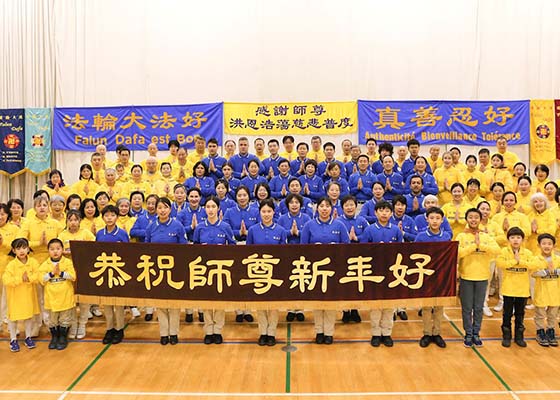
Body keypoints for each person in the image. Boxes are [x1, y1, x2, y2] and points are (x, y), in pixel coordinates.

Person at [301, 197, 350, 344]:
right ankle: (319, 331)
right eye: (321, 206)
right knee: (317, 302)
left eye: (327, 206)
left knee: (330, 302)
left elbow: (346, 246)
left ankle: (329, 332)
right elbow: (302, 248)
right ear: (317, 208)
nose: (324, 209)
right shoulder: (309, 225)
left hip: (333, 270)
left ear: (332, 209)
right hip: (315, 270)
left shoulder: (339, 225)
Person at [193, 196, 236, 344]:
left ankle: (217, 330)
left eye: (213, 207)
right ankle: (208, 330)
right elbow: (194, 248)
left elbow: (233, 246)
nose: (210, 210)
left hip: (221, 269)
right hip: (204, 270)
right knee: (206, 301)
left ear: (218, 208)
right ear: (204, 209)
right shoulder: (200, 227)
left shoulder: (225, 226)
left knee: (219, 301)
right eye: (208, 207)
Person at [145, 197, 187, 345]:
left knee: (174, 303)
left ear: (170, 209)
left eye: (165, 207)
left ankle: (173, 333)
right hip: (157, 271)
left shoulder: (177, 225)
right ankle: (163, 333)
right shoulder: (151, 226)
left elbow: (184, 247)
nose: (162, 210)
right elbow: (146, 248)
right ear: (156, 210)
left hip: (174, 271)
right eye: (160, 208)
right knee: (161, 303)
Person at [361, 201, 403, 347]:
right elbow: (364, 250)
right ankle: (375, 333)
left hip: (392, 272)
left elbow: (401, 250)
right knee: (376, 305)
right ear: (375, 213)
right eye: (381, 210)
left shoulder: (396, 230)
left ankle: (387, 333)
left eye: (387, 211)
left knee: (389, 305)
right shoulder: (369, 229)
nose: (384, 213)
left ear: (391, 213)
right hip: (375, 272)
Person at [246, 199, 288, 346]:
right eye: (263, 211)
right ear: (259, 213)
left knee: (273, 305)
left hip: (275, 273)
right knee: (261, 305)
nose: (266, 214)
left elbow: (284, 253)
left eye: (269, 211)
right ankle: (263, 332)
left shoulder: (281, 231)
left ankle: (271, 333)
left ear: (273, 212)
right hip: (258, 273)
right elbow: (248, 251)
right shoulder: (252, 230)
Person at [456, 208, 500, 347]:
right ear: (466, 219)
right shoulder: (461, 236)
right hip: (466, 276)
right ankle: (468, 334)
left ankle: (476, 333)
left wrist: (481, 245)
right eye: (470, 217)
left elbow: (496, 250)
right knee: (467, 308)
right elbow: (458, 253)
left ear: (480, 220)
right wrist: (474, 246)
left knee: (479, 307)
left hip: (482, 277)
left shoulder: (486, 236)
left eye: (476, 217)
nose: (473, 219)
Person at [415, 207, 451, 348]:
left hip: (441, 276)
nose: (435, 221)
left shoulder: (446, 236)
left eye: (437, 218)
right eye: (432, 218)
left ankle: (437, 333)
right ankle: (427, 333)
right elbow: (414, 255)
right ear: (427, 220)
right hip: (425, 276)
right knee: (426, 307)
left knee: (439, 307)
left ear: (442, 220)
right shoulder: (420, 237)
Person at [58, 210, 96, 339]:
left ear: (80, 221)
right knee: (71, 300)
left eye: (75, 220)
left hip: (83, 270)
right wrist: (65, 252)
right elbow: (57, 250)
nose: (73, 222)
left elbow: (94, 248)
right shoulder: (62, 235)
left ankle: (82, 325)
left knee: (84, 300)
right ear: (67, 221)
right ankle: (73, 324)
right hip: (68, 270)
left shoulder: (86, 233)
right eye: (70, 220)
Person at [496, 227, 535, 347]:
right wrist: (514, 262)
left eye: (518, 237)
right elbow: (500, 264)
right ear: (508, 239)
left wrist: (521, 262)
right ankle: (506, 336)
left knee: (520, 314)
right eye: (512, 237)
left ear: (522, 239)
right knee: (507, 314)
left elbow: (533, 265)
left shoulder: (527, 253)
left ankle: (519, 336)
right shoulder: (503, 252)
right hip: (508, 289)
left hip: (522, 290)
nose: (515, 240)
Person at [96, 205, 129, 345]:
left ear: (117, 217)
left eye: (112, 215)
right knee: (107, 304)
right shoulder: (99, 234)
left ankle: (119, 329)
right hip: (104, 272)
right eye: (107, 215)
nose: (109, 218)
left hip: (119, 272)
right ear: (103, 217)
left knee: (118, 304)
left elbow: (128, 253)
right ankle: (109, 329)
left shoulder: (122, 233)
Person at [2, 238, 40, 352]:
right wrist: (20, 279)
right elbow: (6, 279)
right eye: (18, 248)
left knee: (28, 316)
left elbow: (38, 276)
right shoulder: (11, 265)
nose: (22, 251)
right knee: (13, 318)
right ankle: (13, 339)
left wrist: (29, 278)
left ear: (28, 249)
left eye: (24, 248)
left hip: (28, 295)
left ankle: (28, 337)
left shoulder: (33, 262)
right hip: (15, 297)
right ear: (14, 251)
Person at [277, 193, 310, 323]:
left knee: (301, 280)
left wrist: (299, 233)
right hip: (287, 253)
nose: (294, 205)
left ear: (300, 205)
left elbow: (309, 233)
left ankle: (300, 309)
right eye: (291, 203)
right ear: (287, 205)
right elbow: (278, 233)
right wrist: (290, 232)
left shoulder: (306, 218)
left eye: (296, 202)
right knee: (289, 280)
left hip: (303, 253)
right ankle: (290, 309)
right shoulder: (282, 218)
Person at [39, 238, 75, 350]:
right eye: (52, 249)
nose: (55, 251)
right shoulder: (45, 264)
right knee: (52, 320)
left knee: (65, 319)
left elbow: (73, 276)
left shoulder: (68, 262)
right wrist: (51, 274)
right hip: (51, 298)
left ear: (62, 250)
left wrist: (61, 273)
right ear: (48, 251)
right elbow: (41, 279)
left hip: (65, 297)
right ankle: (54, 337)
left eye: (58, 249)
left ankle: (63, 337)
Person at [337, 195, 368, 323]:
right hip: (342, 257)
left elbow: (368, 237)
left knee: (356, 284)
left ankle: (355, 309)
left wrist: (356, 238)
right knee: (344, 285)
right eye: (346, 205)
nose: (349, 208)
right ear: (342, 207)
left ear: (356, 206)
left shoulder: (362, 221)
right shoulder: (338, 221)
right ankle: (345, 311)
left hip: (358, 258)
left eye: (351, 205)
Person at [533, 233, 560, 347]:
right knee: (540, 314)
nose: (547, 246)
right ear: (539, 245)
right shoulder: (536, 259)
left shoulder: (557, 259)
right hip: (541, 291)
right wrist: (546, 272)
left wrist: (556, 271)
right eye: (544, 243)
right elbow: (533, 273)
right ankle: (540, 332)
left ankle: (550, 330)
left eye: (549, 244)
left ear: (554, 245)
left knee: (552, 314)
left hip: (555, 291)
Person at [0, 203, 20, 325]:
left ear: (8, 215)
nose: (0, 217)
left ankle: (8, 320)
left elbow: (16, 250)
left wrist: (3, 244)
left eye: (2, 214)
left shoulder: (14, 229)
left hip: (9, 268)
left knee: (8, 297)